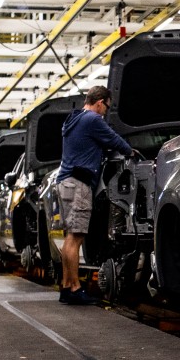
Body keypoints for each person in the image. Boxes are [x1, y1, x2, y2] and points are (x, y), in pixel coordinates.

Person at [54, 85, 136, 304]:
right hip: (79, 184)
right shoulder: (92, 120)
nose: (105, 112)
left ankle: (66, 286)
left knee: (69, 239)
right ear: (100, 102)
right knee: (75, 238)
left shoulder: (75, 119)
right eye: (106, 107)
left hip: (66, 182)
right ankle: (75, 289)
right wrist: (131, 151)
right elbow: (114, 139)